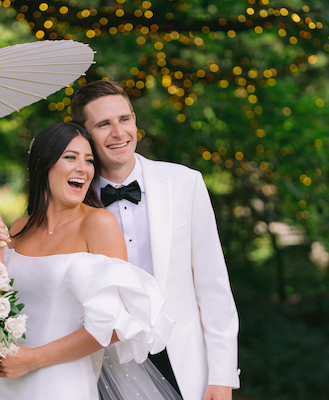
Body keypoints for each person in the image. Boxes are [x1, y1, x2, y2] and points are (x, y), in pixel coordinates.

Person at [0, 122, 178, 400]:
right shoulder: (19, 228)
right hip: (6, 384)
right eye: (71, 157)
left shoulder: (99, 224)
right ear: (42, 164)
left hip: (62, 385)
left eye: (89, 160)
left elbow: (117, 324)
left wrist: (34, 359)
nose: (84, 168)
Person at [70, 80, 240, 400]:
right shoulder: (72, 201)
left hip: (183, 360)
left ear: (135, 120)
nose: (119, 133)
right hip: (106, 366)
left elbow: (213, 286)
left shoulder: (185, 182)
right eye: (104, 124)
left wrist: (222, 376)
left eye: (124, 119)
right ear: (84, 133)